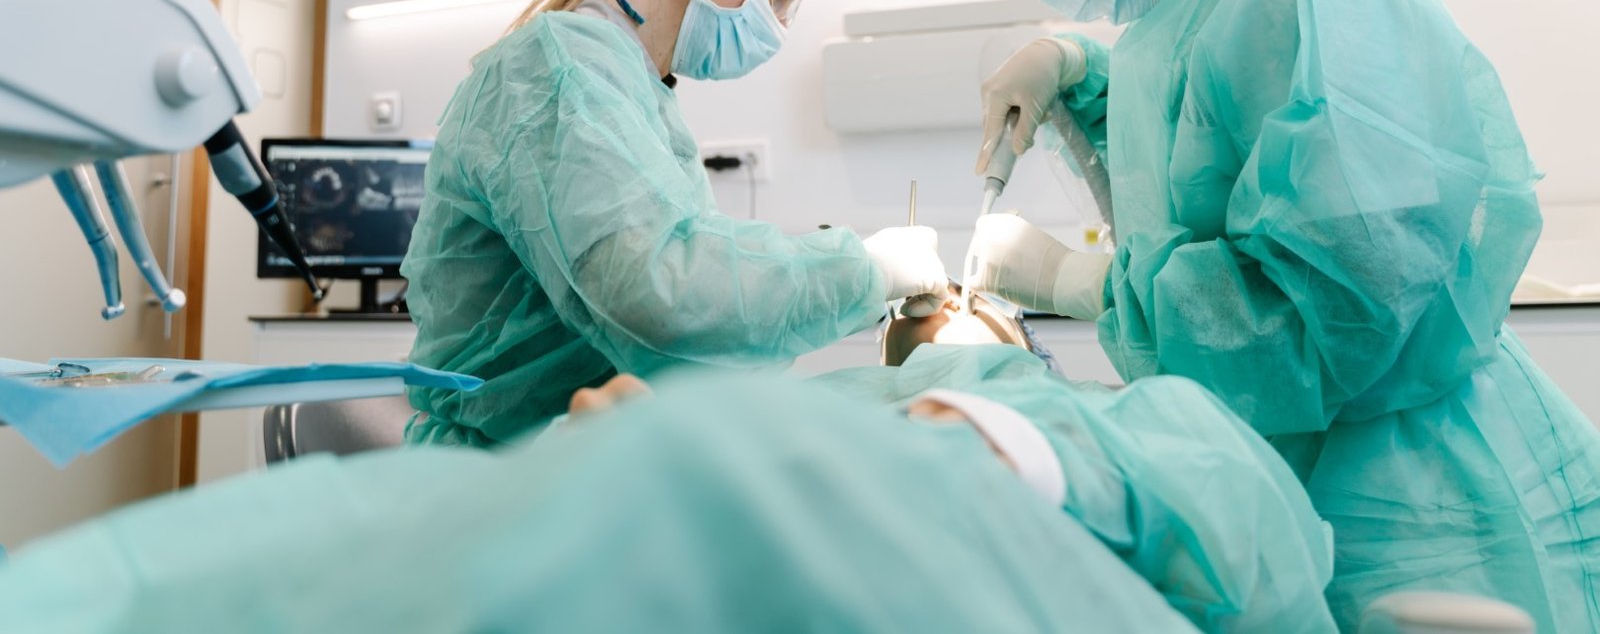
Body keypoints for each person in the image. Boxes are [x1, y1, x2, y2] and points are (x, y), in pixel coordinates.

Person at [953, 0, 1600, 626]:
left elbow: (1346, 296)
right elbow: (1201, 161)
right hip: (1306, 459)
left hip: (1418, 485)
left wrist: (1082, 282)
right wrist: (1079, 72)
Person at [0, 351, 1337, 634]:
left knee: (719, 468)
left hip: (693, 479)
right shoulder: (569, 80)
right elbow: (657, 274)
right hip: (586, 475)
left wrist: (970, 431)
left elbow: (1245, 520)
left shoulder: (1135, 431)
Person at [402, 0, 946, 447]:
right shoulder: (561, 69)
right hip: (512, 463)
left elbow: (694, 323)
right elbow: (660, 292)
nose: (778, 23)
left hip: (586, 443)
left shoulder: (634, 90)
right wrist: (866, 271)